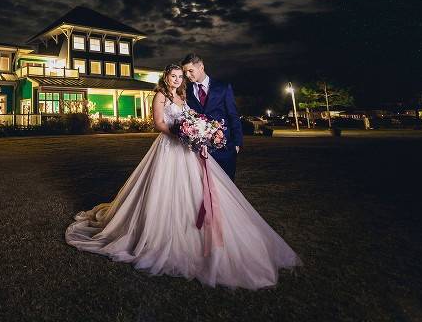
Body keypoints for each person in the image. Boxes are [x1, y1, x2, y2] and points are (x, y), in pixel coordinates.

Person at [64, 64, 301, 289]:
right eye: (174, 76)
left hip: (188, 148)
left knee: (196, 189)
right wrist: (180, 134)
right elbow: (158, 123)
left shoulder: (183, 96)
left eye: (180, 76)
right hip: (169, 147)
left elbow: (191, 120)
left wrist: (197, 133)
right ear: (166, 77)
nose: (178, 79)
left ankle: (194, 226)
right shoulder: (160, 96)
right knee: (164, 187)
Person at [182, 53, 242, 181]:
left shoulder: (223, 87)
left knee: (227, 187)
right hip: (199, 151)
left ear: (201, 67)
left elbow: (233, 115)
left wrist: (237, 143)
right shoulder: (185, 91)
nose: (187, 75)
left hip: (225, 148)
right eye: (185, 72)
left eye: (190, 71)